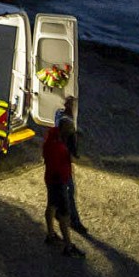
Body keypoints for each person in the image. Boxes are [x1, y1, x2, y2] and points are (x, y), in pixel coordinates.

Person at [42, 124, 85, 257]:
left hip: (50, 179)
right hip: (59, 182)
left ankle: (50, 234)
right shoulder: (59, 147)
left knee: (52, 206)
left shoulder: (51, 139)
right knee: (64, 215)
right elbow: (60, 164)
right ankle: (68, 246)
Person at [54, 96, 87, 235]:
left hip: (61, 163)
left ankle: (57, 212)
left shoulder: (61, 117)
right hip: (63, 165)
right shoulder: (66, 121)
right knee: (69, 192)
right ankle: (74, 222)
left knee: (64, 191)